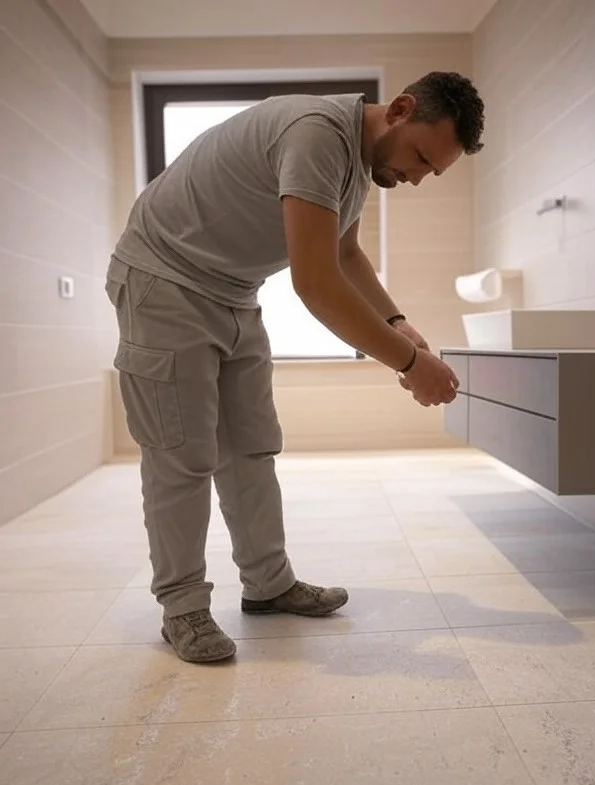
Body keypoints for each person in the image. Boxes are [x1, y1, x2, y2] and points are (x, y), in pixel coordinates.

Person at [106, 70, 485, 664]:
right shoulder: (317, 135)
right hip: (164, 278)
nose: (414, 177)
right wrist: (410, 364)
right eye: (418, 158)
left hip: (232, 291)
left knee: (251, 445)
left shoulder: (359, 162)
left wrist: (395, 323)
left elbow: (344, 251)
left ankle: (268, 584)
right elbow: (315, 284)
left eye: (430, 172)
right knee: (182, 453)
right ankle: (183, 608)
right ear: (401, 109)